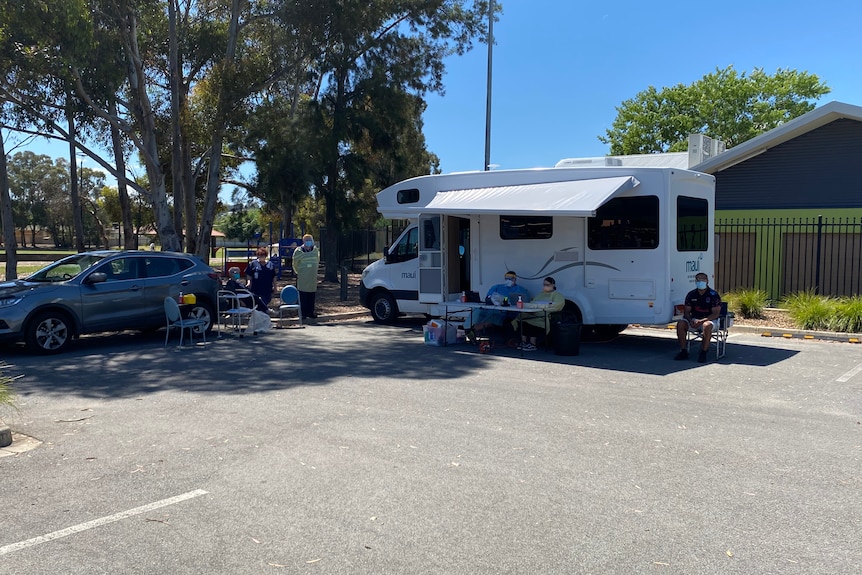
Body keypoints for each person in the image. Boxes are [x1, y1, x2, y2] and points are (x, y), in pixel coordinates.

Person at [674, 272, 722, 362]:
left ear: (707, 281)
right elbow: (687, 311)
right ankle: (683, 351)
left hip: (709, 320)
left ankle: (703, 352)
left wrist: (702, 321)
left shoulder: (713, 295)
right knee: (680, 324)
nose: (701, 282)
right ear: (695, 281)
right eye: (698, 280)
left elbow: (715, 313)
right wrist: (690, 320)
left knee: (707, 326)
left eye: (703, 280)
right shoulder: (691, 294)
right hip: (694, 320)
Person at [469, 271, 530, 340]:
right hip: (493, 308)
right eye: (506, 278)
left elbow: (526, 301)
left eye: (511, 279)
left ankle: (477, 328)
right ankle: (468, 327)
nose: (508, 280)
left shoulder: (520, 289)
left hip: (507, 312)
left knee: (495, 315)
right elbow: (488, 297)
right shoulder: (497, 287)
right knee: (477, 310)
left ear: (515, 279)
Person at [512, 276, 565, 351]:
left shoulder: (557, 295)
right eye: (544, 285)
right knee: (522, 319)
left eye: (547, 285)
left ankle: (532, 344)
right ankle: (523, 342)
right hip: (534, 313)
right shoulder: (540, 294)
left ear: (553, 285)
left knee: (533, 322)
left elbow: (557, 305)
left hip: (544, 315)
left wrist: (543, 307)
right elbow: (533, 303)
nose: (545, 286)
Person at [293, 234, 320, 318]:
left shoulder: (315, 250)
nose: (308, 242)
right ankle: (303, 313)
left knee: (311, 295)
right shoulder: (298, 251)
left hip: (312, 277)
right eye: (306, 240)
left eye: (310, 240)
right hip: (303, 277)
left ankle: (310, 312)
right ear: (303, 241)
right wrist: (299, 272)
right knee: (303, 295)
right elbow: (295, 264)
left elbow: (317, 261)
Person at [245, 247, 277, 313]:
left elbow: (274, 277)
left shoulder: (270, 265)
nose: (262, 257)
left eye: (263, 256)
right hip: (256, 288)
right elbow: (249, 275)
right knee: (259, 303)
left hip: (267, 288)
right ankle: (263, 314)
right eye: (260, 256)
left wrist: (275, 287)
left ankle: (263, 313)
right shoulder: (253, 264)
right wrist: (248, 282)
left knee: (266, 301)